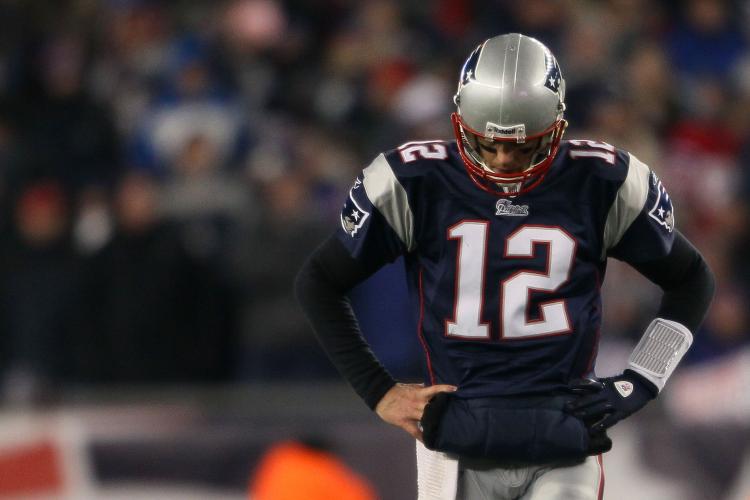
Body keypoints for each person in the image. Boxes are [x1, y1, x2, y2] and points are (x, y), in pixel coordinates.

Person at [295, 33, 715, 500]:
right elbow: (319, 282)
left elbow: (691, 279)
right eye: (487, 143)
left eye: (523, 147)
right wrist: (378, 391)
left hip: (563, 434)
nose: (503, 160)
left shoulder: (602, 182)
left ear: (557, 128)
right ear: (460, 124)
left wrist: (643, 379)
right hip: (454, 435)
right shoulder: (414, 183)